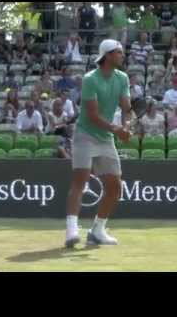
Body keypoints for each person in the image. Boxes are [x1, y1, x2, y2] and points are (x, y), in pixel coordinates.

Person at [65, 39, 131, 248]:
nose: (122, 55)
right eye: (118, 52)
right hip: (85, 134)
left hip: (106, 138)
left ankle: (98, 229)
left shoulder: (122, 78)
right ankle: (71, 229)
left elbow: (126, 108)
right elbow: (92, 115)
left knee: (115, 187)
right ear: (107, 56)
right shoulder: (90, 79)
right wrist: (116, 129)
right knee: (80, 181)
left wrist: (126, 126)